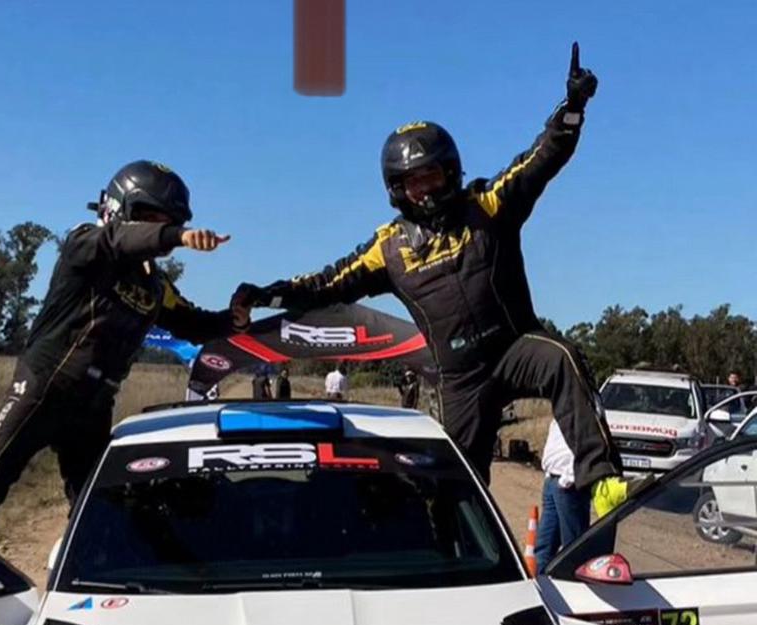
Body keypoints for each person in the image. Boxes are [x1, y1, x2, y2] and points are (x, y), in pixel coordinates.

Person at [232, 44, 628, 517]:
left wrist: (573, 110)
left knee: (562, 358)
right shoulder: (389, 247)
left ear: (451, 171)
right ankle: (454, 555)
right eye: (412, 181)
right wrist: (266, 292)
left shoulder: (487, 204)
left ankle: (604, 488)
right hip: (460, 379)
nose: (424, 188)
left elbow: (540, 160)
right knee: (456, 486)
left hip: (514, 345)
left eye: (432, 176)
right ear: (396, 189)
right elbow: (325, 283)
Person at [0, 160, 245, 541]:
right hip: (45, 386)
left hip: (94, 404)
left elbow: (190, 323)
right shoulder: (85, 242)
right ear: (119, 208)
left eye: (164, 219)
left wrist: (232, 320)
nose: (155, 228)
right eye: (148, 218)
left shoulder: (155, 285)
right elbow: (118, 239)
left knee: (99, 509)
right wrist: (177, 236)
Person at [534, 419, 591, 573]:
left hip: (568, 483)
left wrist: (570, 477)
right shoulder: (563, 403)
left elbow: (589, 440)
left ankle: (572, 587)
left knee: (573, 548)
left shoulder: (582, 404)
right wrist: (548, 474)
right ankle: (540, 584)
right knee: (544, 547)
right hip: (553, 480)